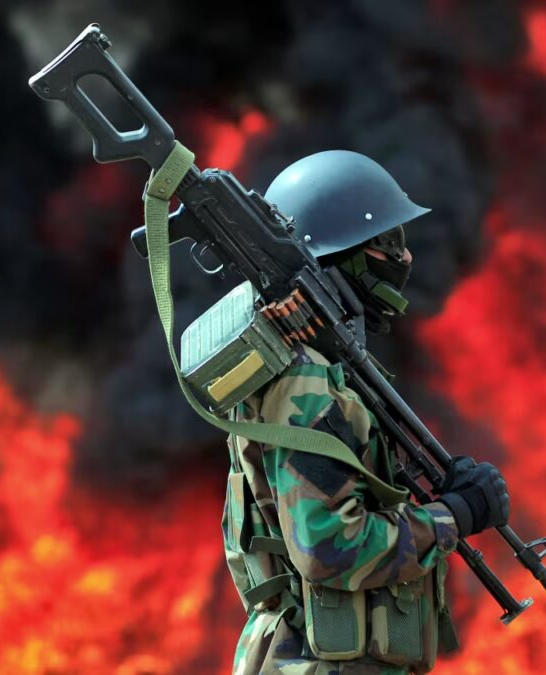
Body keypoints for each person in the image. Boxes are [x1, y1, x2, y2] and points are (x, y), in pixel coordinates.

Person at [222, 150, 511, 675]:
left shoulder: (316, 369)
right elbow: (328, 546)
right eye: (387, 244)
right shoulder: (306, 381)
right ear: (345, 257)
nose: (404, 258)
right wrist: (453, 516)